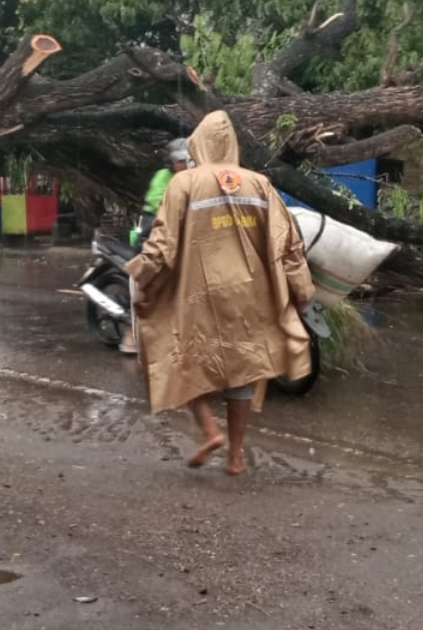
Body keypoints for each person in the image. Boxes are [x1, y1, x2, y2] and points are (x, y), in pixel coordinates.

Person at [127, 111, 314, 476]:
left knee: (180, 357)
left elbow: (162, 245)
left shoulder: (184, 184)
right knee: (242, 370)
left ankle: (211, 432)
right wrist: (301, 291)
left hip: (199, 293)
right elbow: (288, 244)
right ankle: (236, 456)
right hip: (250, 294)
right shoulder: (259, 184)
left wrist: (141, 278)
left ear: (199, 143)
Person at [119, 139, 193, 358]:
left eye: (187, 160)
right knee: (142, 276)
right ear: (171, 162)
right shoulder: (163, 178)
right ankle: (129, 331)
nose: (184, 164)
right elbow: (163, 206)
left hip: (185, 227)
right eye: (180, 161)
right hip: (155, 226)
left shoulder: (194, 178)